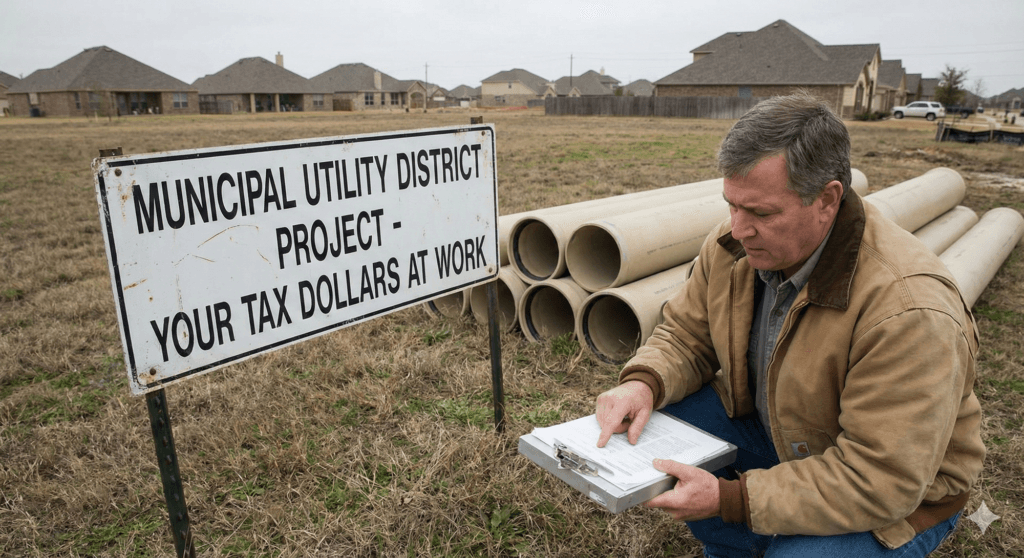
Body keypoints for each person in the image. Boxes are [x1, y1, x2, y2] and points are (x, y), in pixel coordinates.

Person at [595, 92, 984, 557]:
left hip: (896, 496)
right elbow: (685, 335)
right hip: (783, 436)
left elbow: (881, 479)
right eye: (731, 205)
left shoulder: (909, 310)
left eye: (761, 212)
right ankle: (744, 545)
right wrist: (643, 383)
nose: (738, 228)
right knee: (659, 417)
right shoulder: (732, 247)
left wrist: (732, 500)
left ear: (827, 199)